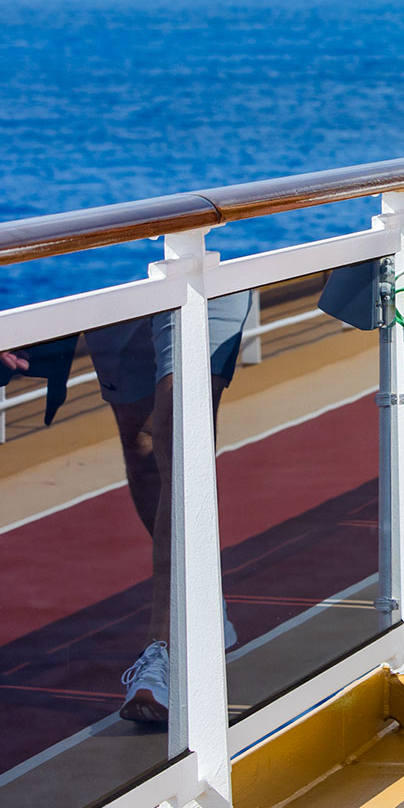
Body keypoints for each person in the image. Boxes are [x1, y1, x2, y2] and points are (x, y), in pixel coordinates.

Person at [1, 293, 255, 723]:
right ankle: (201, 602)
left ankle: (166, 650)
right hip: (119, 267)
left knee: (178, 427)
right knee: (142, 445)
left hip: (205, 253)